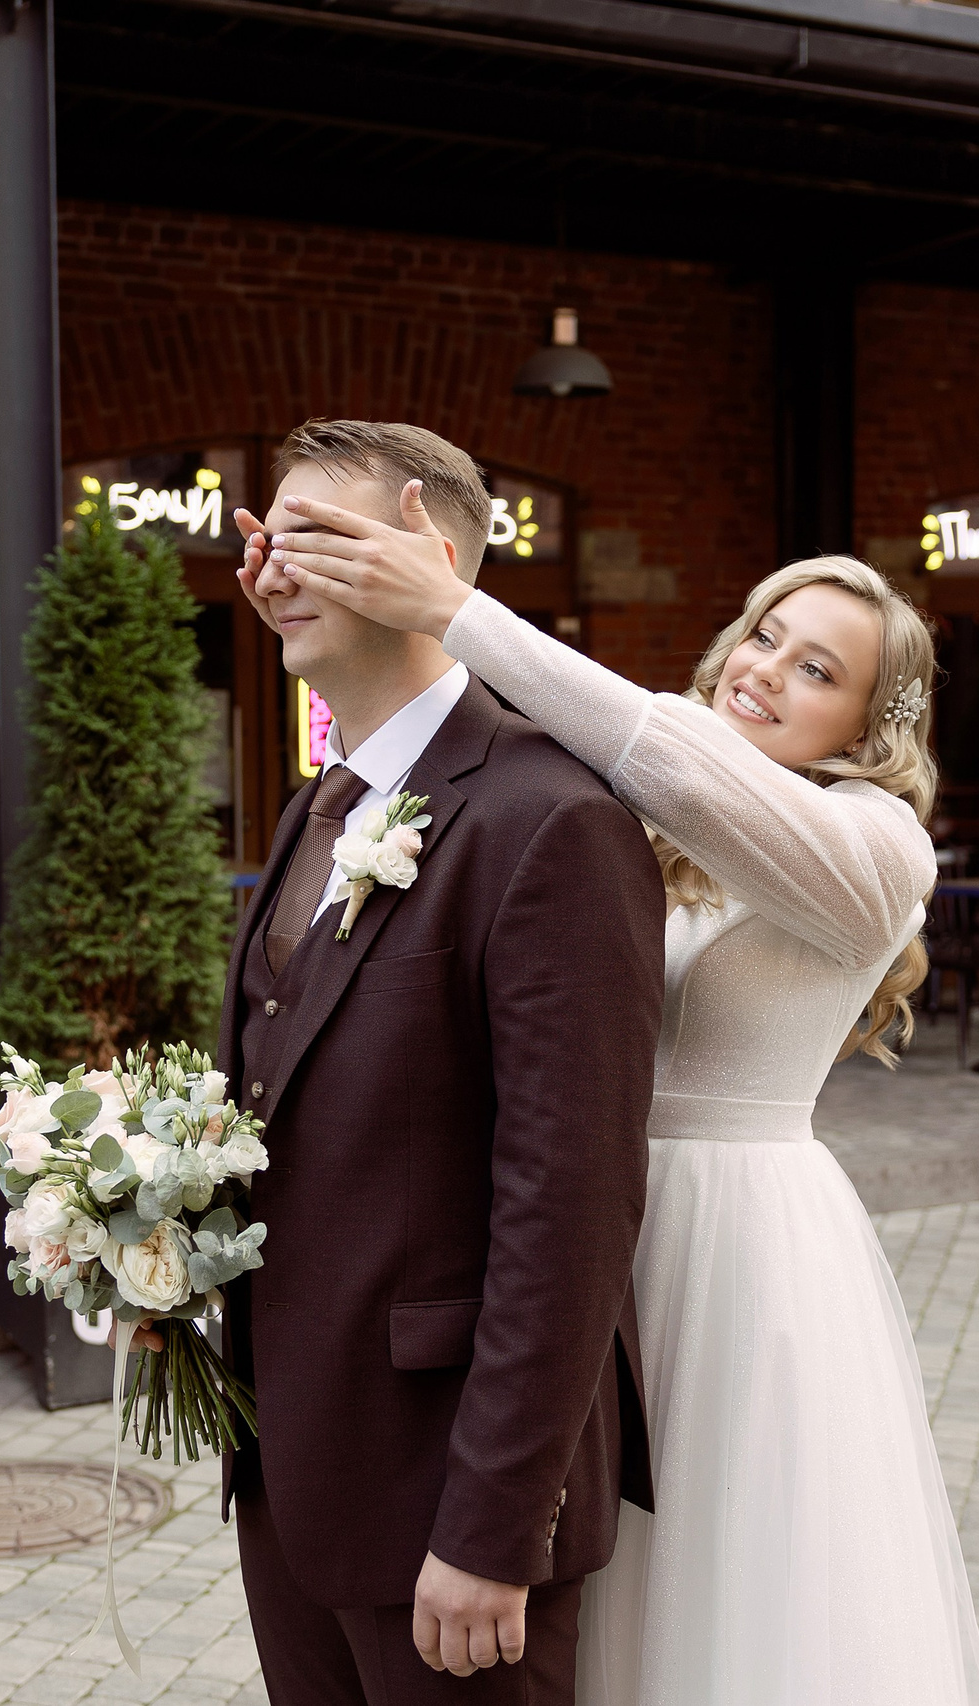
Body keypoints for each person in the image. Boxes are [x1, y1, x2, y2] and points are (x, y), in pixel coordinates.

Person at [248, 487, 979, 1706]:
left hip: (728, 1244)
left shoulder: (875, 847)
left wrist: (454, 608)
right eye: (761, 633)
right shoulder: (638, 818)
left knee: (716, 1575)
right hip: (579, 1227)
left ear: (867, 724)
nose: (765, 671)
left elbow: (655, 742)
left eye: (817, 669)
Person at [212, 419, 665, 1705]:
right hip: (292, 1470)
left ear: (432, 548)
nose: (274, 564)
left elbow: (569, 1207)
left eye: (317, 533)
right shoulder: (319, 802)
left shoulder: (553, 819)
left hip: (445, 1503)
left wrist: (492, 1524)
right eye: (267, 533)